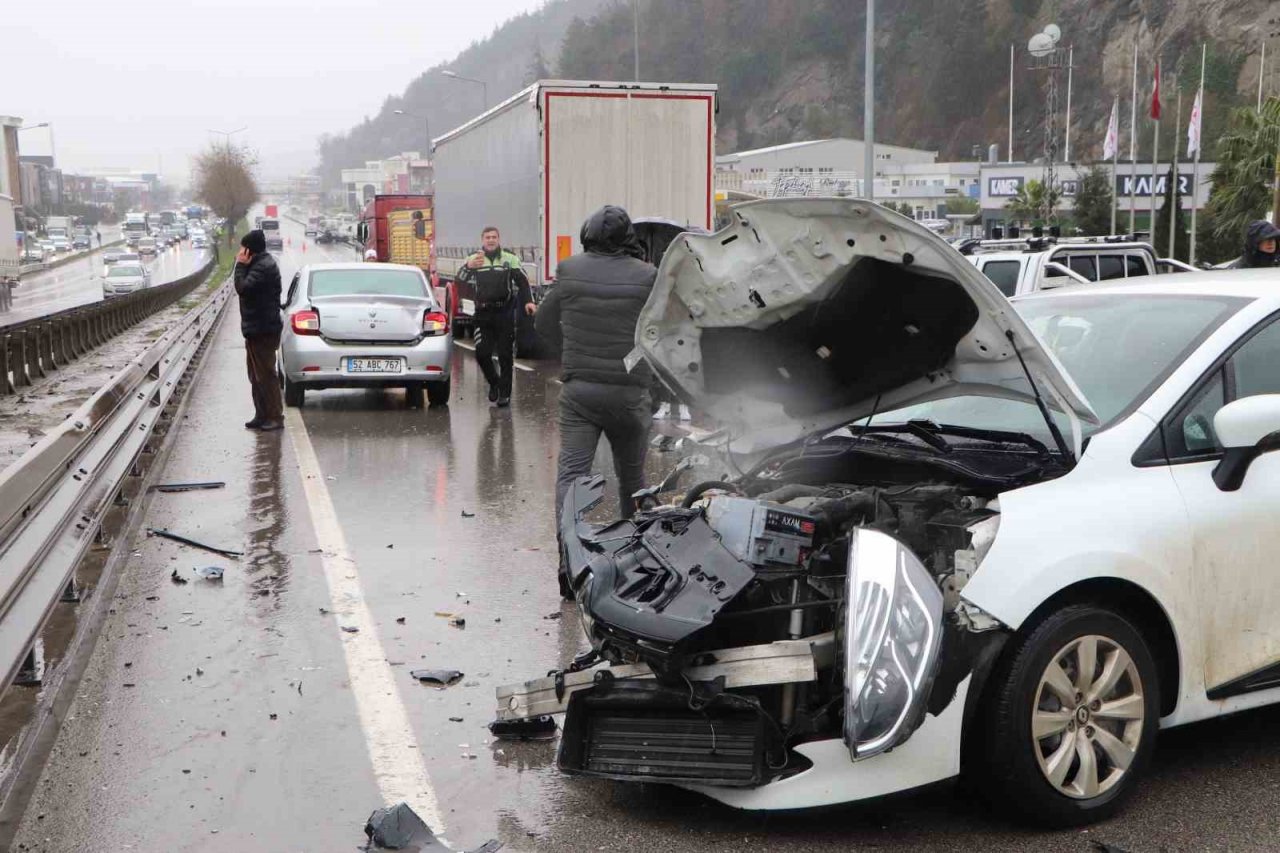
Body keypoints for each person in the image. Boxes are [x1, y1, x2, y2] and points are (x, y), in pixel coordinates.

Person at [537, 205, 656, 547]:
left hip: (581, 395)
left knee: (572, 478)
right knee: (633, 477)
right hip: (630, 392)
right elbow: (661, 331)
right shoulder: (648, 276)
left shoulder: (569, 269)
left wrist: (571, 348)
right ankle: (636, 555)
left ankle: (568, 558)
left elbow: (543, 323)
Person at [456, 226, 534, 407]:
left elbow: (523, 282)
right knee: (482, 354)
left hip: (504, 313)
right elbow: (459, 282)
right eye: (487, 237)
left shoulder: (509, 259)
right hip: (482, 314)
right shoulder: (474, 260)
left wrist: (528, 301)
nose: (491, 240)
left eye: (494, 237)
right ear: (482, 240)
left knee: (505, 355)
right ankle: (494, 383)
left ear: (499, 239)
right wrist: (468, 267)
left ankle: (504, 394)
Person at [234, 230, 284, 431]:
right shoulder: (258, 264)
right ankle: (261, 414)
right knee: (255, 375)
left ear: (249, 250)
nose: (239, 252)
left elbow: (243, 288)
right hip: (256, 328)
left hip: (264, 329)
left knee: (266, 375)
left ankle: (274, 416)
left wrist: (239, 266)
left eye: (242, 248)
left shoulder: (263, 267)